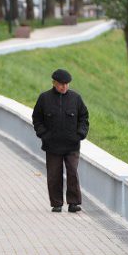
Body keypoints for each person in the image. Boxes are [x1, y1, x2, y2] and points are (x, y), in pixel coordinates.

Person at [31, 69, 90, 213]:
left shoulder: (76, 98)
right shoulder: (44, 98)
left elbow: (84, 118)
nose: (64, 87)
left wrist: (80, 134)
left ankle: (73, 202)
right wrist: (43, 134)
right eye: (61, 84)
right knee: (54, 175)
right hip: (52, 145)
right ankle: (56, 203)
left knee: (72, 173)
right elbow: (37, 118)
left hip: (72, 145)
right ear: (54, 83)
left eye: (66, 84)